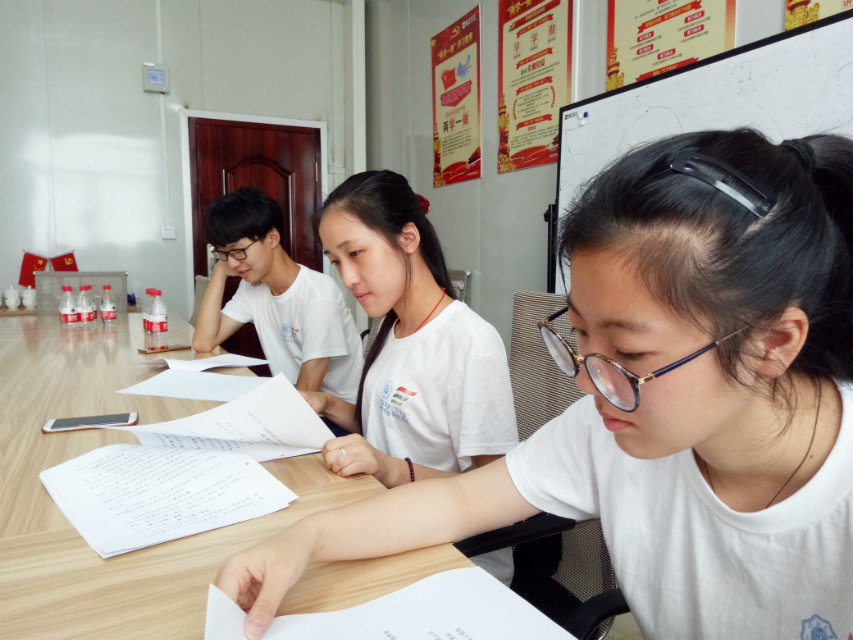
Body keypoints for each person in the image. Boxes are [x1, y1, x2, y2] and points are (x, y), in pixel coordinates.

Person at [215, 130, 853, 640]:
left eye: (629, 352)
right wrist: (303, 541)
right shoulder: (606, 429)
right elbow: (462, 501)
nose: (587, 385)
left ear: (772, 343)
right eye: (579, 335)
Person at [301, 170, 519, 584]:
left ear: (408, 238)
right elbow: (387, 429)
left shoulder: (471, 342)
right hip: (388, 527)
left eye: (356, 253)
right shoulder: (390, 327)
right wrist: (325, 403)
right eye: (336, 262)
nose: (347, 278)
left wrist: (388, 469)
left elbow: (497, 493)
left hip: (455, 557)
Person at [192, 186, 363, 410]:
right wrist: (219, 272)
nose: (232, 262)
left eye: (238, 251)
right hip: (293, 399)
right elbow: (203, 342)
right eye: (224, 254)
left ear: (272, 238)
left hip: (332, 415)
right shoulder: (251, 287)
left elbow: (306, 399)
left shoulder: (318, 295)